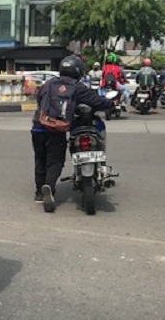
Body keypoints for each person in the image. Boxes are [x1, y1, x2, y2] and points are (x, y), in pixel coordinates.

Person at [32, 55, 114, 212]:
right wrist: (110, 103)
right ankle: (49, 186)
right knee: (55, 161)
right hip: (57, 129)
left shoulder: (48, 84)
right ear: (78, 71)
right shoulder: (77, 87)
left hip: (38, 126)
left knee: (40, 159)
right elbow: (97, 102)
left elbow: (39, 100)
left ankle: (39, 193)